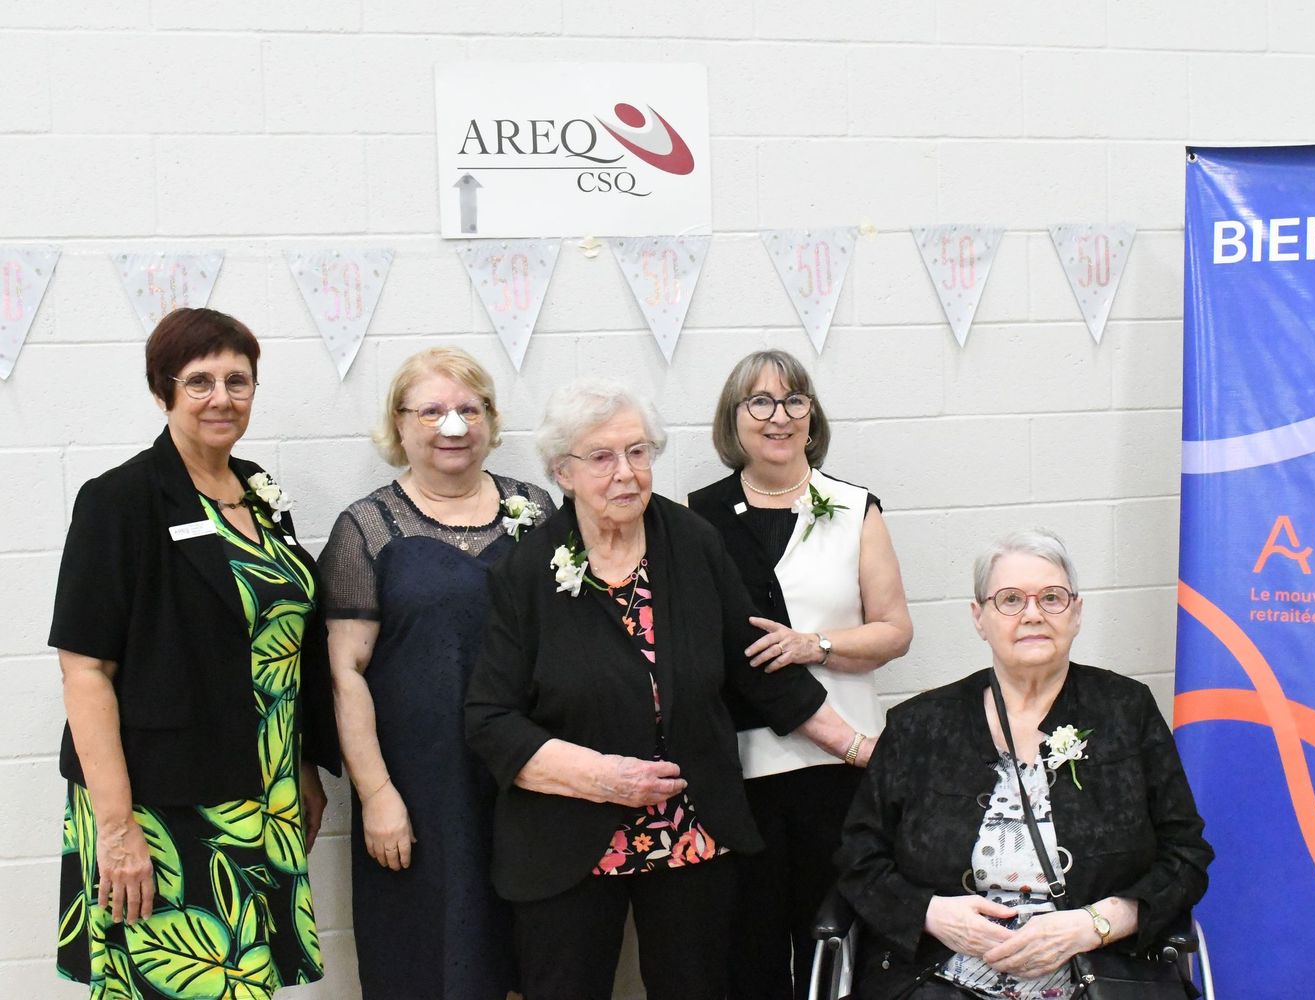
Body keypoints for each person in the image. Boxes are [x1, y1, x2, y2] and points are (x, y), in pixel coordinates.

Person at [464, 377, 874, 1000]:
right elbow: (491, 719)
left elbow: (757, 666)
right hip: (567, 831)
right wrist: (602, 777)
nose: (625, 473)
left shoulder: (691, 541)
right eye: (602, 457)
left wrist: (859, 748)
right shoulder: (526, 570)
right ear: (562, 472)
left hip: (691, 824)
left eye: (638, 451)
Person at [51, 308, 340, 998]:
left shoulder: (258, 490)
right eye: (200, 381)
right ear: (164, 391)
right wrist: (117, 831)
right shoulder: (120, 500)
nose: (221, 398)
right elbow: (85, 671)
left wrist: (302, 765)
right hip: (164, 801)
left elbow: (277, 643)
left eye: (238, 381)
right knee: (186, 978)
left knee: (244, 981)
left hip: (264, 785)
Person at [837, 529, 1213, 1000]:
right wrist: (931, 914)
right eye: (1010, 599)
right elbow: (858, 857)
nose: (1033, 614)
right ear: (979, 618)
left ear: (1076, 613)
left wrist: (1095, 924)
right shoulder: (919, 725)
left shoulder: (1126, 710)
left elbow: (1186, 855)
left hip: (1097, 973)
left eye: (1051, 598)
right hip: (939, 976)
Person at [320, 347, 555, 999]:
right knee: (429, 959)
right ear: (399, 424)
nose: (453, 426)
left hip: (526, 780)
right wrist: (377, 795)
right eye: (431, 412)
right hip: (418, 790)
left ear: (491, 420)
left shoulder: (537, 510)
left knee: (532, 956)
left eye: (468, 410)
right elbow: (346, 672)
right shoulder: (365, 528)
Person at [688, 349, 913, 999]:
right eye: (760, 401)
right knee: (750, 950)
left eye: (793, 400)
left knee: (837, 945)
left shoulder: (854, 507)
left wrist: (814, 645)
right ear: (733, 418)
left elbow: (894, 631)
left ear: (811, 415)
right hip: (744, 772)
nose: (778, 416)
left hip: (845, 767)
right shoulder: (698, 515)